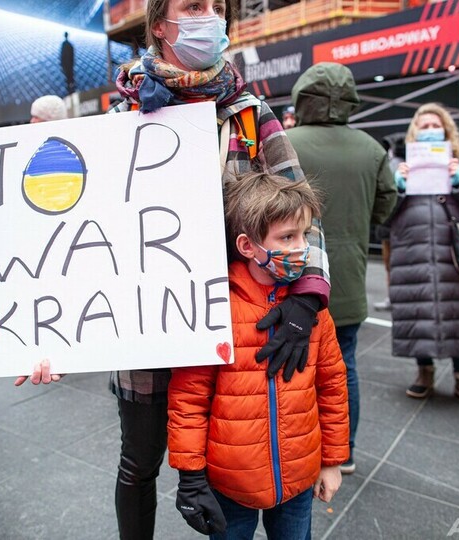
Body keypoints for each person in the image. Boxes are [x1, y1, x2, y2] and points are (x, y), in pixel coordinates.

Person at [19, 2, 330, 538]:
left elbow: (305, 212)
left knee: (230, 462)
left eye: (217, 7)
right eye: (194, 6)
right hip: (145, 337)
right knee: (139, 463)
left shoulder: (250, 116)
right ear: (160, 25)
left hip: (231, 337)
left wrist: (306, 296)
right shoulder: (118, 122)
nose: (211, 16)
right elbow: (78, 237)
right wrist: (56, 335)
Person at [167, 171, 348, 538]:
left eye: (304, 235)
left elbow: (332, 387)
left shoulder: (312, 310)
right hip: (229, 482)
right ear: (248, 246)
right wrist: (191, 475)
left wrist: (332, 461)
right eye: (287, 237)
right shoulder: (216, 308)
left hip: (299, 476)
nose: (302, 247)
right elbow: (189, 397)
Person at [286, 62, 396, 475]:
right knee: (343, 365)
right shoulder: (372, 148)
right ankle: (343, 451)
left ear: (302, 97)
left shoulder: (283, 142)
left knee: (291, 362)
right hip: (347, 277)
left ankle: (294, 449)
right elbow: (387, 202)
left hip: (292, 274)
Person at [389, 102, 459, 410]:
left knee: (458, 313)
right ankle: (425, 372)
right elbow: (381, 216)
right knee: (416, 310)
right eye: (424, 126)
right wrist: (398, 188)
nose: (430, 131)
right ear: (414, 132)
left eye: (436, 126)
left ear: (447, 131)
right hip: (412, 249)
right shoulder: (399, 165)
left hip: (452, 251)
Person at [373, 132, 407, 312]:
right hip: (397, 226)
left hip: (392, 225)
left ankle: (393, 299)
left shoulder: (393, 165)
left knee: (392, 265)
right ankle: (395, 298)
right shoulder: (400, 165)